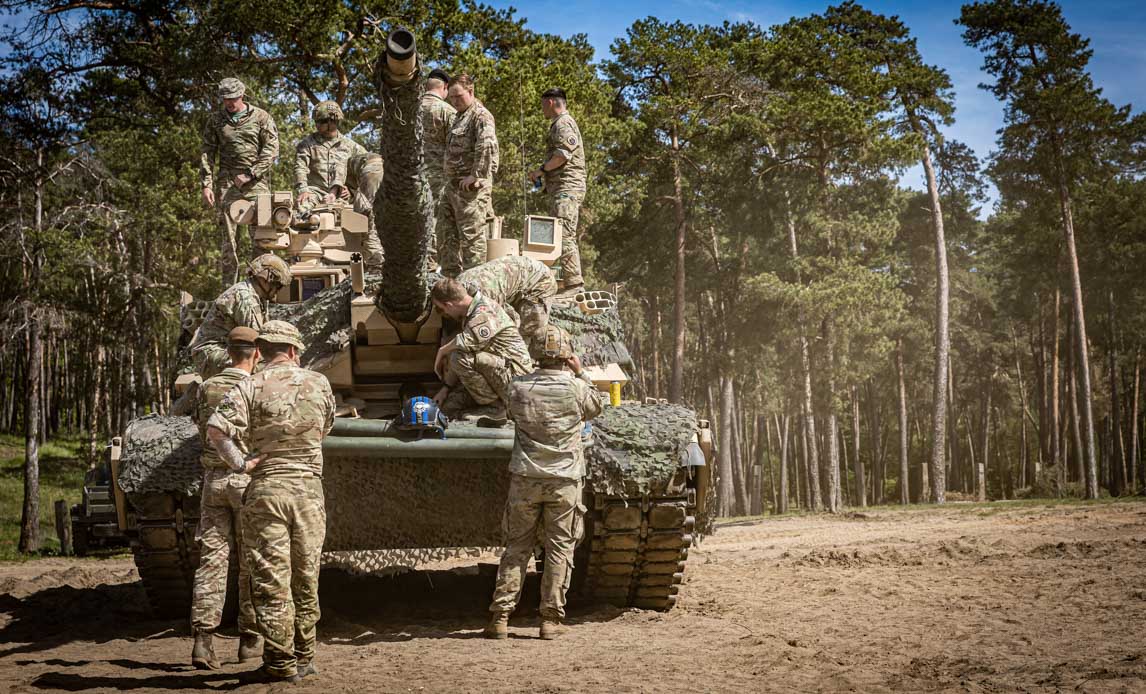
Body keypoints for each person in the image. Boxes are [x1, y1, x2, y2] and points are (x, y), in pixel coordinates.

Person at [206, 320, 335, 683]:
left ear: (260, 351)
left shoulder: (250, 385)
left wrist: (240, 463)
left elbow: (216, 429)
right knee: (306, 575)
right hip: (308, 490)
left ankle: (279, 662)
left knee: (271, 578)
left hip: (266, 490)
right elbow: (326, 427)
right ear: (294, 351)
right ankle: (305, 656)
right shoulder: (319, 383)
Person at [484, 325, 603, 640]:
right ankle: (549, 621)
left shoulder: (518, 388)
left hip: (526, 479)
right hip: (564, 480)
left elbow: (509, 410)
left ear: (535, 354)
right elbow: (596, 407)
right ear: (567, 356)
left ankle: (500, 617)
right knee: (559, 549)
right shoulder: (577, 389)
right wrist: (582, 374)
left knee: (516, 548)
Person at [190, 326, 262, 670]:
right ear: (257, 353)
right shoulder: (255, 386)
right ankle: (249, 640)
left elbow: (200, 426)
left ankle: (203, 642)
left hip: (213, 481)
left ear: (228, 352)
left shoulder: (206, 387)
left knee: (212, 561)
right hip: (247, 480)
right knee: (252, 561)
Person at [200, 78, 280, 285]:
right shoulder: (216, 120)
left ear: (241, 95)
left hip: (256, 183)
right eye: (225, 99)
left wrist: (251, 174)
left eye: (233, 98)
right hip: (228, 184)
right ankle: (230, 289)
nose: (229, 103)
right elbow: (207, 152)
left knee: (263, 238)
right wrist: (206, 184)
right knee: (228, 243)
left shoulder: (262, 117)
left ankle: (261, 288)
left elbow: (271, 151)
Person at [429, 277, 531, 417]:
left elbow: (462, 345)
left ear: (449, 305)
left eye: (441, 309)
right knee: (448, 408)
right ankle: (492, 403)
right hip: (498, 372)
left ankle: (495, 409)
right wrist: (445, 389)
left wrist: (442, 351)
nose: (444, 314)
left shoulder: (483, 312)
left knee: (458, 357)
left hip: (515, 379)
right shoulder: (471, 309)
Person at [189, 254, 292, 380]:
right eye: (277, 284)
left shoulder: (257, 295)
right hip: (210, 356)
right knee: (271, 365)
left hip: (227, 350)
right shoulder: (246, 298)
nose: (278, 289)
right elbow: (257, 341)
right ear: (267, 279)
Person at [527, 88, 587, 295]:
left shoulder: (563, 123)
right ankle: (568, 282)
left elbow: (562, 155)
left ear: (551, 102)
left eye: (543, 104)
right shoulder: (559, 124)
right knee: (560, 233)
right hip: (560, 187)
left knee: (564, 234)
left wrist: (541, 170)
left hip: (567, 187)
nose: (542, 109)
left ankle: (574, 285)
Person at [441, 74, 499, 276]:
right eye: (451, 98)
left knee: (472, 238)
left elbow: (487, 145)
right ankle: (450, 280)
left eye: (458, 96)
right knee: (447, 235)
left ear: (471, 91)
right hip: (452, 187)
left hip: (470, 189)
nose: (455, 101)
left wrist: (476, 175)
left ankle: (474, 282)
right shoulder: (459, 117)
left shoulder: (480, 115)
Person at [457, 255, 557, 343]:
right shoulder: (456, 285)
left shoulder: (486, 295)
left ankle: (525, 362)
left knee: (528, 330)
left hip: (539, 281)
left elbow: (491, 325)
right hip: (516, 280)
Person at [294, 100, 367, 207]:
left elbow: (366, 172)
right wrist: (303, 190)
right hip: (314, 193)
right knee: (303, 207)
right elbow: (300, 168)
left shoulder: (352, 147)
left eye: (320, 121)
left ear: (331, 122)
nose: (316, 124)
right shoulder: (306, 144)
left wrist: (352, 191)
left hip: (341, 195)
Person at [421, 68, 456, 270]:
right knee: (433, 218)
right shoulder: (446, 111)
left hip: (407, 176)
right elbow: (456, 146)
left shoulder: (410, 109)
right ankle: (430, 264)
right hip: (437, 176)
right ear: (444, 88)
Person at [345, 151, 386, 271]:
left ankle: (375, 262)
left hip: (372, 171)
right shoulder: (359, 158)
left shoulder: (343, 167)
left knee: (369, 217)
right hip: (391, 171)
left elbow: (340, 189)